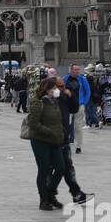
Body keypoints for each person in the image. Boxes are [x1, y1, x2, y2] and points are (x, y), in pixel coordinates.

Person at [27, 77, 66, 211]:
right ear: (47, 89)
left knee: (61, 168)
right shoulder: (38, 102)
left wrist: (61, 133)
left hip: (55, 140)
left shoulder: (54, 101)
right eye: (55, 88)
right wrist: (49, 132)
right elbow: (33, 124)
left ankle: (50, 193)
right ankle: (44, 200)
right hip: (40, 141)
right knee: (44, 170)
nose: (57, 90)